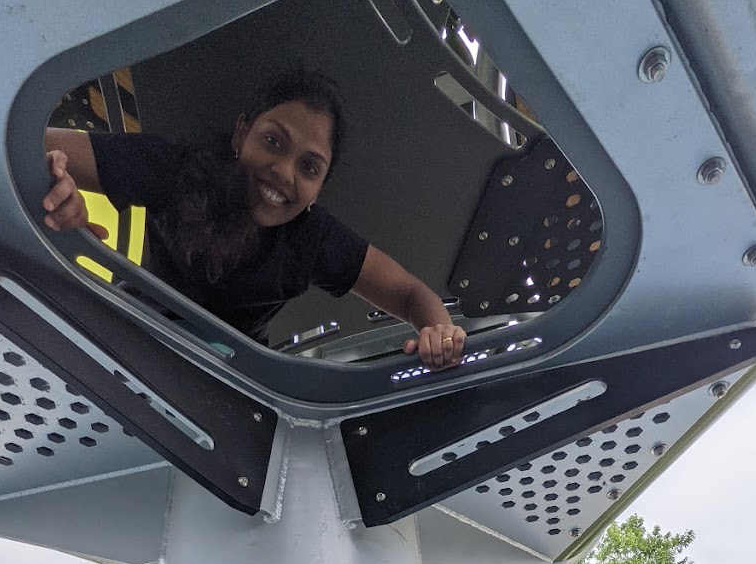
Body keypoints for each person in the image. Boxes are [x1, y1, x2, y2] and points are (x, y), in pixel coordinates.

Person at [42, 69, 466, 370]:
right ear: (241, 132)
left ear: (320, 188)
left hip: (235, 373)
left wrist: (440, 333)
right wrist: (59, 187)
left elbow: (410, 293)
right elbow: (35, 148)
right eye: (273, 141)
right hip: (137, 332)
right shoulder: (177, 171)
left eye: (310, 168)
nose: (284, 172)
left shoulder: (311, 240)